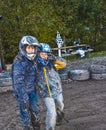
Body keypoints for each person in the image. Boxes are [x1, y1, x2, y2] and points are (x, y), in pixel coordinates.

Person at [11, 35, 41, 130]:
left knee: (35, 109)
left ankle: (36, 126)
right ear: (23, 48)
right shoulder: (19, 62)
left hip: (32, 90)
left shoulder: (34, 60)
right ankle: (27, 127)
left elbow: (37, 74)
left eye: (33, 48)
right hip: (22, 92)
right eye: (28, 48)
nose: (31, 50)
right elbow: (18, 81)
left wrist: (38, 86)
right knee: (25, 112)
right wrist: (23, 96)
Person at [36, 43, 67, 130]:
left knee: (60, 105)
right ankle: (50, 128)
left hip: (57, 90)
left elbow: (64, 64)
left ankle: (60, 118)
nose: (44, 56)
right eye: (42, 54)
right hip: (45, 92)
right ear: (38, 54)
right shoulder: (35, 65)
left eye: (46, 54)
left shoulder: (53, 63)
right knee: (51, 112)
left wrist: (55, 58)